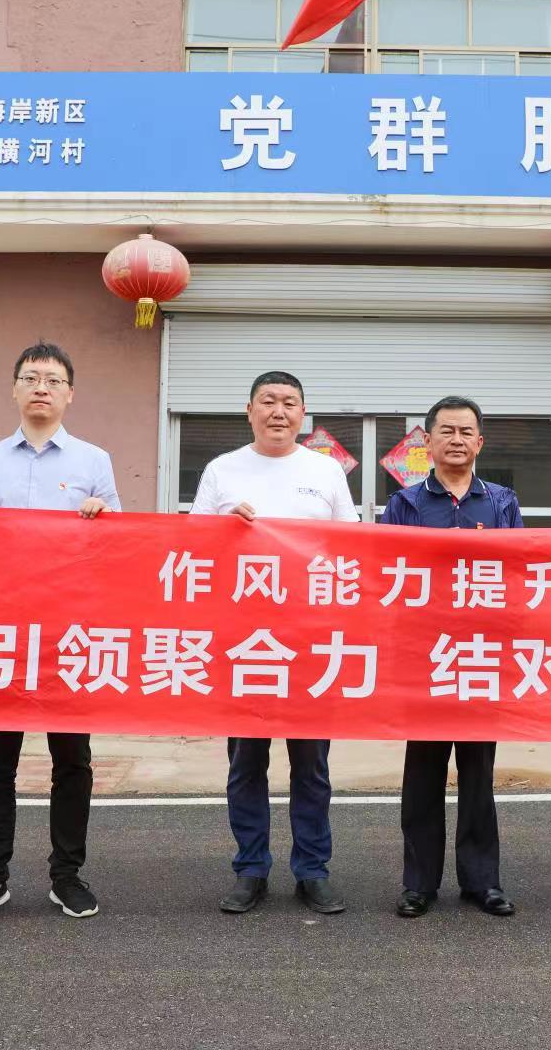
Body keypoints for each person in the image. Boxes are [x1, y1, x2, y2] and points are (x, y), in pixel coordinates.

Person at [0, 342, 120, 923]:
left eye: (53, 380)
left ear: (70, 394)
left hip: (69, 633)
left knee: (72, 760)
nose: (41, 387)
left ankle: (67, 876)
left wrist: (103, 516)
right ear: (15, 389)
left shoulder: (93, 460)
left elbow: (119, 542)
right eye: (30, 378)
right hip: (3, 632)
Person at [191, 371, 359, 915]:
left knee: (312, 765)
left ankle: (313, 870)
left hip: (310, 643)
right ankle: (251, 869)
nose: (278, 411)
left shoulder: (325, 470)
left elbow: (350, 548)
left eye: (289, 402)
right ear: (249, 411)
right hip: (245, 642)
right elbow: (192, 548)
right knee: (246, 762)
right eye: (268, 401)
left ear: (303, 414)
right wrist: (223, 526)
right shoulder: (222, 470)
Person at [380, 396, 520, 919]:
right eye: (447, 431)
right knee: (423, 773)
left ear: (479, 442)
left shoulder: (501, 502)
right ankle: (419, 883)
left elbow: (518, 574)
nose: (456, 440)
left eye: (466, 432)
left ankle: (483, 882)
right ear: (428, 441)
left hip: (482, 655)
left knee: (479, 773)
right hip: (425, 657)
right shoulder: (405, 504)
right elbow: (387, 575)